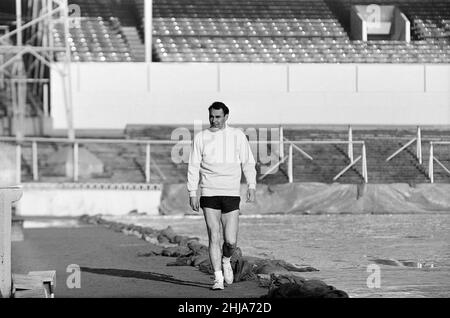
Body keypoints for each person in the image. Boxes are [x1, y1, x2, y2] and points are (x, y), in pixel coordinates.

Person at [187, 101, 257, 290]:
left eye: (218, 117)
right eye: (211, 116)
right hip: (209, 191)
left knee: (231, 241)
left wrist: (251, 185)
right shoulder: (201, 137)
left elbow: (248, 162)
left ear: (226, 117)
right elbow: (193, 165)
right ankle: (218, 277)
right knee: (214, 236)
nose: (214, 120)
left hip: (231, 193)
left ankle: (226, 260)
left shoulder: (237, 135)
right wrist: (192, 192)